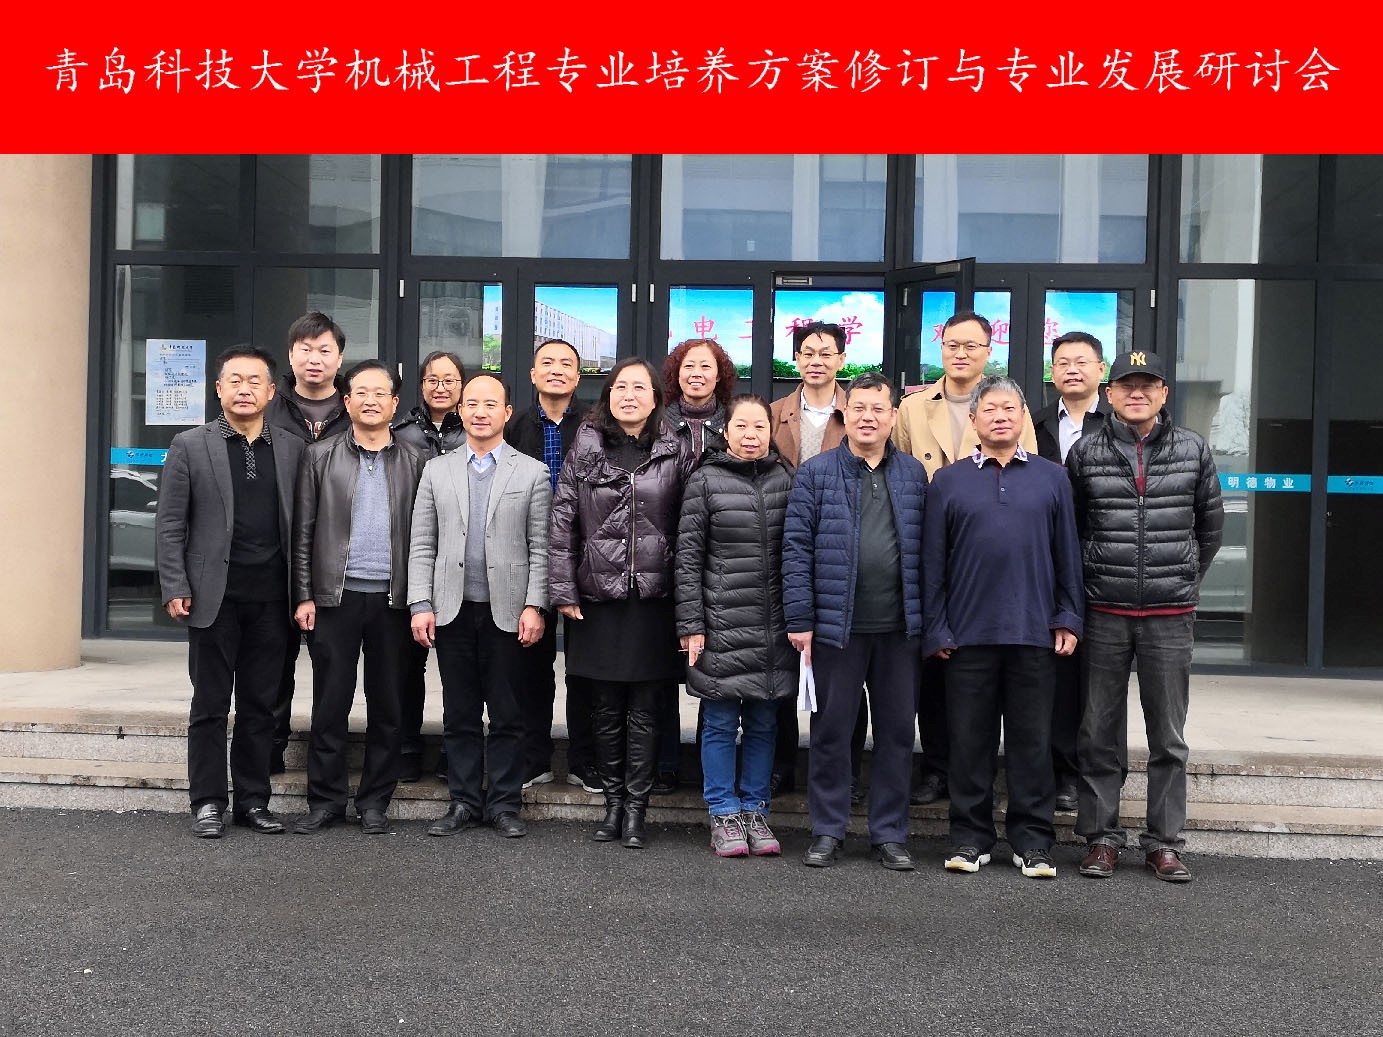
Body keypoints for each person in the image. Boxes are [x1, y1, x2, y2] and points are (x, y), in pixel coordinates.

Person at [1066, 350, 1223, 883]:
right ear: (1109, 394)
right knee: (1097, 730)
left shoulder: (1192, 449)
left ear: (1163, 393)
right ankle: (1101, 839)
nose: (1137, 394)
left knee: (1168, 736)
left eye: (1148, 385)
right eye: (1127, 385)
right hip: (1103, 610)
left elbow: (1210, 526)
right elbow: (1074, 529)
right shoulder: (1086, 453)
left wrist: (1184, 579)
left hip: (1169, 613)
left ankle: (1164, 843)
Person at [923, 376, 1084, 878]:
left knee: (1032, 742)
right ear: (973, 420)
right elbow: (932, 562)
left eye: (1010, 409)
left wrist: (1068, 615)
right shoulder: (948, 481)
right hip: (966, 636)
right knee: (968, 742)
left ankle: (1033, 841)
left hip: (1034, 632)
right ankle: (969, 838)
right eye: (990, 409)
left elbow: (1068, 553)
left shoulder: (1052, 478)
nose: (1000, 417)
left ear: (1022, 419)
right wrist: (936, 627)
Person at [155, 346, 306, 838]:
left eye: (254, 381)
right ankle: (207, 801)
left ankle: (254, 801)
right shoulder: (189, 445)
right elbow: (170, 523)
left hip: (273, 600)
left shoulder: (292, 448)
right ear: (218, 389)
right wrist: (175, 584)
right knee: (210, 705)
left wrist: (303, 592)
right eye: (234, 380)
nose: (244, 389)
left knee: (262, 706)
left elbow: (302, 528)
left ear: (271, 392)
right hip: (212, 597)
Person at [548, 357, 696, 849]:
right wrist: (563, 588)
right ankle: (613, 805)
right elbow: (562, 519)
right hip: (599, 597)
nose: (628, 395)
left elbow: (691, 527)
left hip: (654, 598)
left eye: (638, 388)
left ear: (656, 399)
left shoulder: (676, 449)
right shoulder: (586, 446)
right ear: (607, 396)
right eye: (619, 387)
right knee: (606, 708)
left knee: (648, 710)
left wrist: (688, 598)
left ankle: (636, 809)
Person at [894, 311, 1039, 809]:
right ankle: (938, 767)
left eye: (971, 345)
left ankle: (988, 775)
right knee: (938, 663)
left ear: (988, 350)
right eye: (952, 344)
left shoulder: (1008, 405)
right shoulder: (912, 408)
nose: (960, 353)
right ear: (940, 347)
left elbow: (1025, 472)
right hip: (930, 545)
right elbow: (900, 473)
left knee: (986, 673)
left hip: (989, 552)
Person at [783, 371, 927, 871]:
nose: (868, 417)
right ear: (845, 414)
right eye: (859, 408)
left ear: (893, 416)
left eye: (878, 409)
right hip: (833, 629)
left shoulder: (913, 475)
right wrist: (800, 618)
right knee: (831, 731)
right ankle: (828, 829)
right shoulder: (816, 472)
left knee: (896, 733)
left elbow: (928, 551)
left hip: (899, 630)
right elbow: (795, 549)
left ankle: (890, 833)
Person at [408, 373, 552, 840]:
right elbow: (422, 543)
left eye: (491, 404)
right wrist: (420, 603)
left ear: (507, 413)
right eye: (471, 403)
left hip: (507, 612)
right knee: (460, 713)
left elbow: (541, 547)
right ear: (460, 410)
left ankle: (505, 804)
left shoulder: (532, 472)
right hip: (451, 610)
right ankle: (464, 802)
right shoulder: (437, 470)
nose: (480, 412)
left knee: (508, 713)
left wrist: (535, 605)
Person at [290, 360, 427, 836]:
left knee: (388, 707)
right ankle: (325, 801)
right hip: (336, 598)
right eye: (361, 393)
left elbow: (425, 537)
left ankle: (374, 802)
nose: (370, 401)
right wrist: (304, 595)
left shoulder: (417, 461)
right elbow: (304, 532)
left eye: (380, 393)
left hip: (393, 600)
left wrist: (421, 600)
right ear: (346, 402)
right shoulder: (319, 456)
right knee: (330, 704)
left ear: (394, 403)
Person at [675, 394, 796, 857]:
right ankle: (723, 812)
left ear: (770, 431)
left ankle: (755, 809)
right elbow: (687, 559)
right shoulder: (705, 480)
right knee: (721, 722)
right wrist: (691, 623)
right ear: (726, 432)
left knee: (764, 722)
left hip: (773, 625)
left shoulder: (785, 478)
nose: (750, 435)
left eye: (759, 427)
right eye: (741, 426)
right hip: (720, 623)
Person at [504, 338, 596, 794]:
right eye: (547, 363)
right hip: (528, 555)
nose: (556, 370)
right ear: (533, 374)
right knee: (529, 664)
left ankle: (586, 760)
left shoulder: (597, 424)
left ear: (578, 376)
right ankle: (532, 758)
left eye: (566, 364)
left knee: (586, 664)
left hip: (587, 556)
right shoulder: (513, 426)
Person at [767, 321, 852, 799]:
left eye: (825, 353)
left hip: (842, 551)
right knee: (781, 663)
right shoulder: (773, 414)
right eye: (807, 352)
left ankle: (843, 772)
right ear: (796, 359)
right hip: (781, 546)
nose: (816, 361)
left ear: (841, 359)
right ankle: (781, 765)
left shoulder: (859, 411)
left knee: (843, 671)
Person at [264, 311, 351, 775]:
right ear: (291, 354)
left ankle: (327, 763)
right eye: (305, 349)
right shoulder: (269, 406)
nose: (314, 359)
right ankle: (269, 751)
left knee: (333, 669)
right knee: (272, 664)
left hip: (336, 563)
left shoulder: (355, 409)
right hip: (276, 557)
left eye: (324, 350)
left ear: (339, 357)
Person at [1031, 331, 1113, 812]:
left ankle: (1100, 771)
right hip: (1049, 564)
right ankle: (1063, 772)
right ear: (1052, 371)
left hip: (1106, 563)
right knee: (1060, 675)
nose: (1072, 370)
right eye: (1062, 362)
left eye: (1082, 362)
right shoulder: (1034, 423)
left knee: (1101, 677)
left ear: (1101, 370)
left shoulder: (1118, 423)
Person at [657, 337, 739, 793]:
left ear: (719, 374)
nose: (697, 374)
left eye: (707, 367)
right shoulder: (657, 422)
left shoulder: (735, 424)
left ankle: (712, 765)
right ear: (676, 373)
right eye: (689, 366)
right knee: (662, 667)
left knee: (714, 664)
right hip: (662, 553)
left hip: (720, 560)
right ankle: (666, 761)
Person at [390, 350, 467, 784]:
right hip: (411, 558)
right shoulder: (399, 432)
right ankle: (406, 746)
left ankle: (454, 753)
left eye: (450, 380)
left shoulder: (474, 431)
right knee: (407, 665)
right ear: (421, 385)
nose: (441, 387)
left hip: (460, 561)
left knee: (459, 668)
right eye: (432, 379)